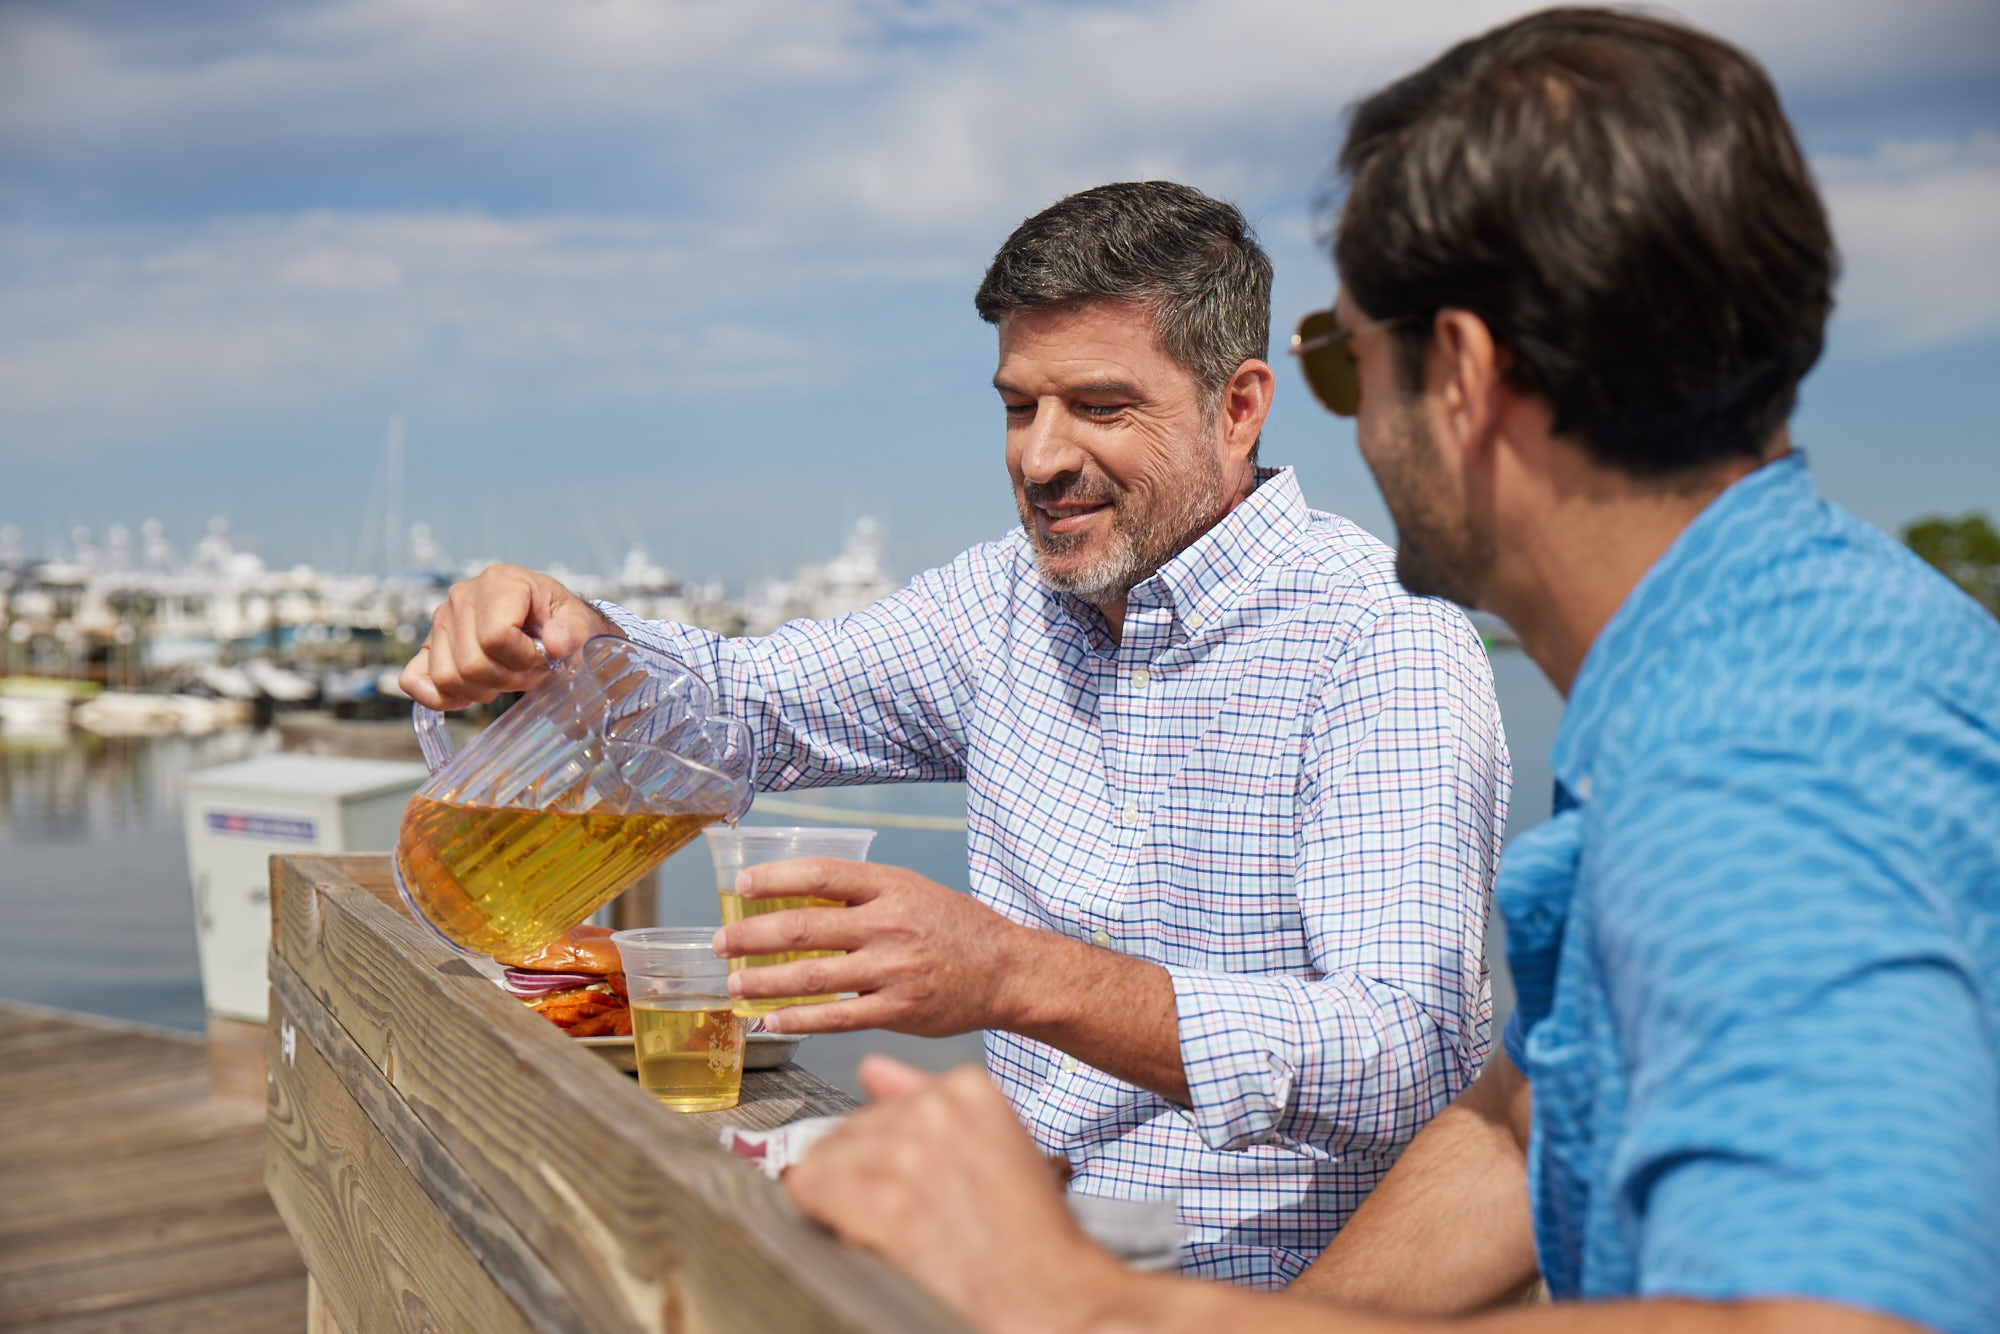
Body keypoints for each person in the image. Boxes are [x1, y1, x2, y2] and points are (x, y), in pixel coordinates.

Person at [774, 10, 2000, 1334]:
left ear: (1459, 373)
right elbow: (1524, 1130)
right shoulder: (1746, 648)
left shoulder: (1757, 756)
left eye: (1344, 359)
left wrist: (1088, 1306)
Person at [401, 180, 1512, 1285]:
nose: (1039, 457)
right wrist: (578, 637)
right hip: (1003, 1265)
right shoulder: (1003, 602)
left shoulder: (1379, 638)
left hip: (1275, 1296)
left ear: (1238, 405)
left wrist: (1015, 975)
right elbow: (750, 709)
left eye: (1099, 406)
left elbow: (1405, 1053)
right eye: (1017, 407)